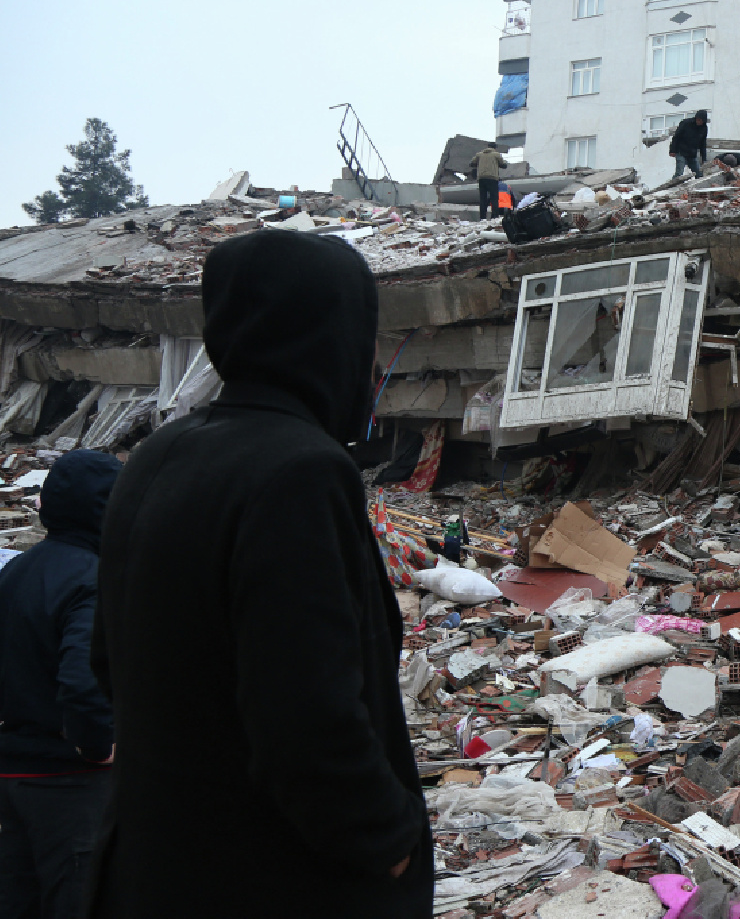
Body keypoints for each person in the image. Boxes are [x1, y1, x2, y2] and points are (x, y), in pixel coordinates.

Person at [91, 231, 432, 918]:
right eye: (366, 338)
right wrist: (389, 840)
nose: (372, 370)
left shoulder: (160, 455)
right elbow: (307, 718)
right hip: (272, 879)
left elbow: (108, 661)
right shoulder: (300, 471)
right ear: (325, 335)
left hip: (155, 865)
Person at [0, 451, 121, 919]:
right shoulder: (91, 579)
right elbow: (83, 678)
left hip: (13, 774)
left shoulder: (17, 571)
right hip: (67, 785)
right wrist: (96, 745)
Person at [468, 143, 507, 220]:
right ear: (495, 148)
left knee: (483, 199)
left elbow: (471, 164)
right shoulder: (496, 154)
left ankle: (482, 218)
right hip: (492, 178)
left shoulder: (479, 155)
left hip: (481, 179)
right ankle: (494, 217)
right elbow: (504, 165)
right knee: (494, 198)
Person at [668, 110, 708, 179]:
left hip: (692, 153)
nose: (699, 122)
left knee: (698, 173)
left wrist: (703, 158)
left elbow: (703, 144)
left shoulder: (704, 128)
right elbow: (676, 137)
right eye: (698, 120)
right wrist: (672, 150)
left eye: (701, 121)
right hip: (681, 151)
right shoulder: (686, 123)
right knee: (679, 172)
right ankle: (672, 186)